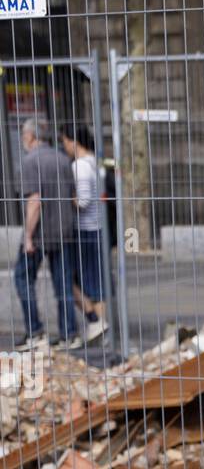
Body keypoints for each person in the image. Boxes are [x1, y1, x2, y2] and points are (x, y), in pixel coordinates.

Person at [14, 115, 79, 348]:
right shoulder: (63, 159)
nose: (23, 139)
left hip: (41, 233)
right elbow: (74, 198)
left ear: (31, 136)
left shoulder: (31, 161)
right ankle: (69, 334)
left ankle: (35, 331)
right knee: (63, 285)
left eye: (23, 135)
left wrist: (28, 237)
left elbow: (35, 202)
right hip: (64, 230)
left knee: (22, 278)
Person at [60, 123, 107, 341]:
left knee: (73, 279)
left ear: (73, 141)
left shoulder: (80, 166)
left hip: (84, 230)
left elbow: (84, 201)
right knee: (95, 282)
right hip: (96, 227)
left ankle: (96, 322)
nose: (64, 146)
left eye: (64, 141)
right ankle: (100, 328)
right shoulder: (94, 162)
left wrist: (65, 199)